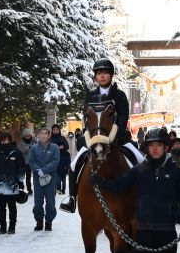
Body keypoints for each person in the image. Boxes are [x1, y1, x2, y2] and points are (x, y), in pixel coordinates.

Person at [60, 58, 144, 213]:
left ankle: (144, 197)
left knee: (141, 160)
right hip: (93, 139)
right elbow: (87, 119)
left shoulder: (119, 95)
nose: (102, 76)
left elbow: (122, 118)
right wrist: (90, 137)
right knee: (73, 165)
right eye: (99, 73)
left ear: (111, 75)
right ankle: (72, 198)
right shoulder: (90, 96)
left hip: (119, 140)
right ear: (95, 76)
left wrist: (112, 138)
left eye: (105, 72)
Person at [0, 130, 26, 234]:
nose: (4, 142)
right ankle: (2, 226)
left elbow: (21, 168)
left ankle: (12, 226)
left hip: (12, 184)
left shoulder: (16, 152)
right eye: (2, 140)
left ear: (10, 140)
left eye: (6, 140)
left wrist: (20, 180)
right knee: (1, 207)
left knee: (12, 206)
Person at [28, 128, 60, 231]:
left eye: (45, 134)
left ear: (49, 136)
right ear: (38, 135)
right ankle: (39, 221)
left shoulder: (54, 148)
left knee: (50, 201)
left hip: (51, 178)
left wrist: (44, 170)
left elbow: (56, 161)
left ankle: (48, 222)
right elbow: (31, 161)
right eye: (41, 134)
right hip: (38, 178)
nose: (43, 136)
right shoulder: (34, 148)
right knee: (38, 201)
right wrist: (38, 170)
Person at [50, 124, 70, 195]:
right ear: (52, 131)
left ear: (59, 130)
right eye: (54, 130)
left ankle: (62, 189)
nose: (55, 131)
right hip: (53, 159)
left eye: (57, 129)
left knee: (62, 177)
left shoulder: (62, 138)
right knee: (55, 176)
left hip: (62, 158)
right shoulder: (50, 139)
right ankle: (56, 188)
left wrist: (63, 147)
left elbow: (67, 146)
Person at [17, 128, 35, 195]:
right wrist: (27, 148)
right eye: (27, 136)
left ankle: (29, 189)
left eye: (29, 136)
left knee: (28, 177)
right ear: (24, 136)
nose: (28, 137)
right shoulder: (21, 143)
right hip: (22, 162)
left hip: (30, 163)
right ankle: (21, 188)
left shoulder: (33, 142)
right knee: (21, 176)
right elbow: (19, 152)